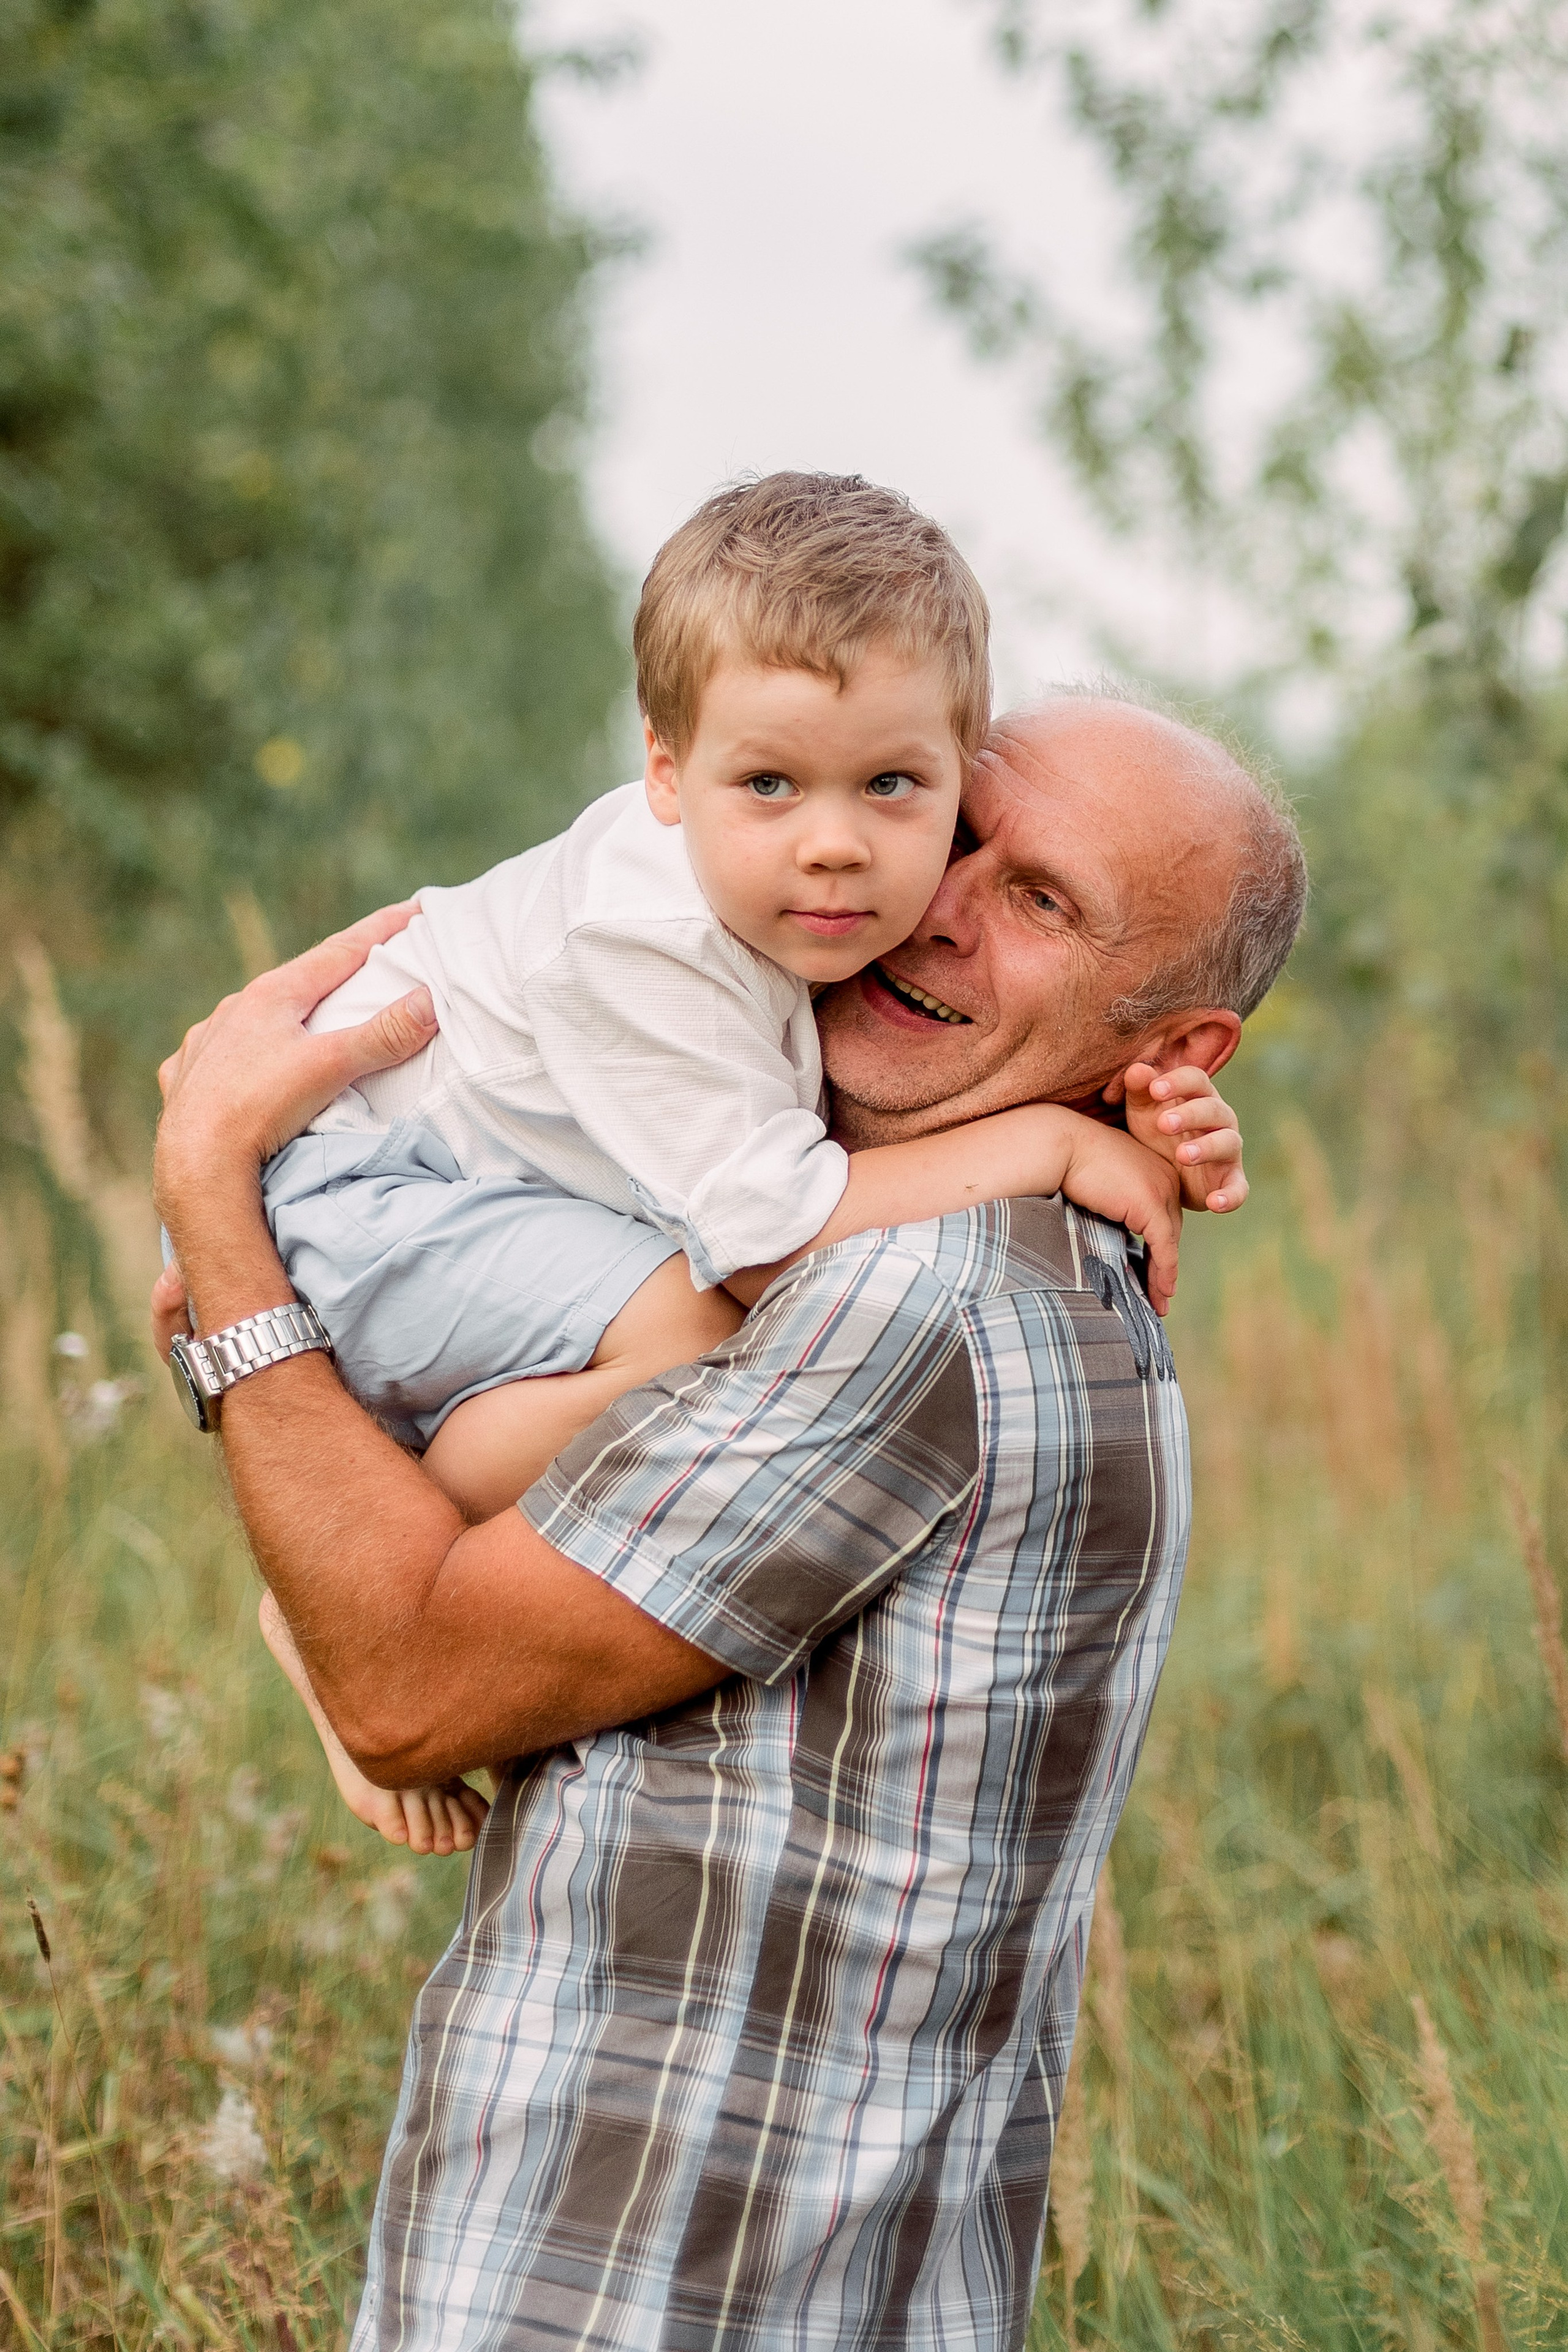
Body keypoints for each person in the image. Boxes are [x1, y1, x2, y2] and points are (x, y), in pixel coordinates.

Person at [152, 684, 1304, 2352]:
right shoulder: (850, 1209)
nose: (938, 909)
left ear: (1175, 1045)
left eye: (1043, 902)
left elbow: (406, 1691)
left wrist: (213, 1186)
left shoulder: (917, 1302)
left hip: (646, 2281)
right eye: (958, 833)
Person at [205, 475, 1245, 1852]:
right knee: (700, 1316)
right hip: (353, 1189)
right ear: (663, 769)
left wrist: (1140, 1113)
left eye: (895, 788)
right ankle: (345, 1588)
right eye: (769, 783)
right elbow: (774, 1225)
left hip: (424, 1196)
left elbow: (884, 1114)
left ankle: (388, 1539)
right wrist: (1052, 1137)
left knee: (677, 1321)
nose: (839, 848)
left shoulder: (775, 906)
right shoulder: (655, 946)